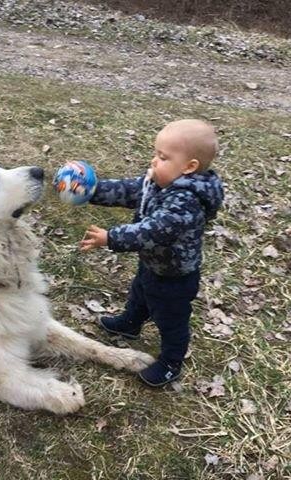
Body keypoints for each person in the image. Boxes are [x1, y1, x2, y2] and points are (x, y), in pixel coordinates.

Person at [80, 119, 224, 387]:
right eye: (155, 154)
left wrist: (110, 238)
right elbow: (129, 190)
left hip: (175, 275)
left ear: (189, 167)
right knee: (141, 293)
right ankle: (131, 322)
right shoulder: (160, 183)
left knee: (171, 319)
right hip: (154, 263)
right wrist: (93, 190)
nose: (154, 161)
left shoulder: (186, 202)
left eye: (163, 157)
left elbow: (153, 231)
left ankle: (171, 361)